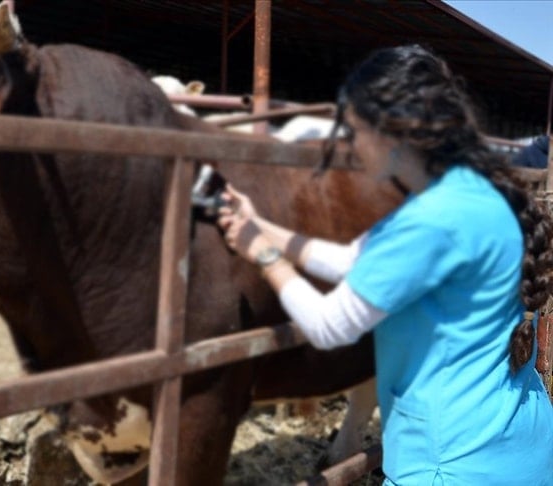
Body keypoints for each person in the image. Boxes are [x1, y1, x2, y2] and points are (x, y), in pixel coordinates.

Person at [218, 44, 553, 485]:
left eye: (354, 131)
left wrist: (262, 253)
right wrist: (256, 225)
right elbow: (353, 261)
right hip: (516, 441)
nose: (350, 147)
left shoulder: (430, 221)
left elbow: (330, 325)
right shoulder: (471, 193)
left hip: (453, 464)